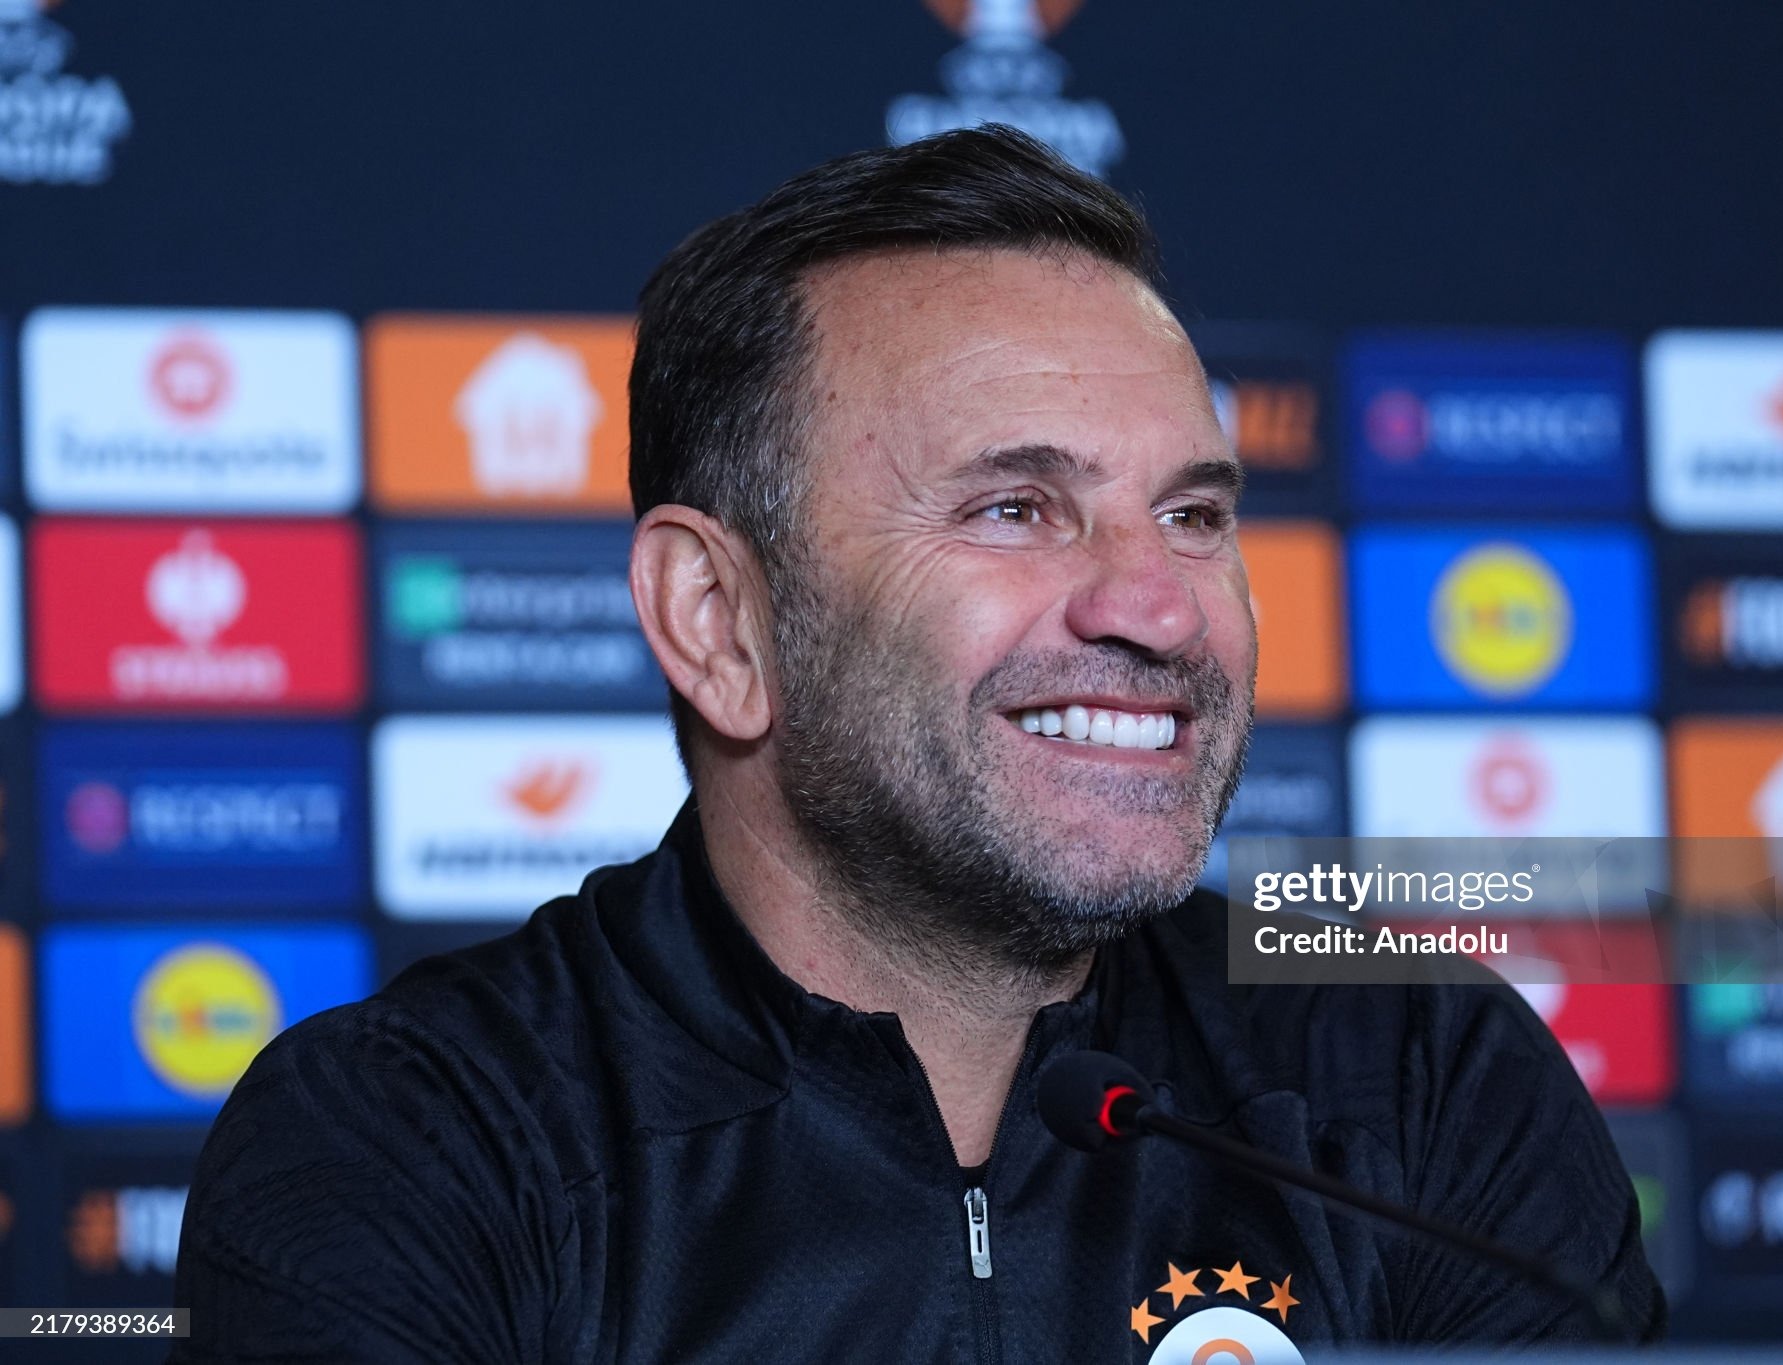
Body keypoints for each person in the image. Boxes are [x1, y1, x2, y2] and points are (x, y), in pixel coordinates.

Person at [173, 125, 1663, 1362]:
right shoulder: (416, 1140)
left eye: (1196, 516)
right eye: (1014, 507)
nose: (1159, 605)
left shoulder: (1411, 1067)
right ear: (716, 618)